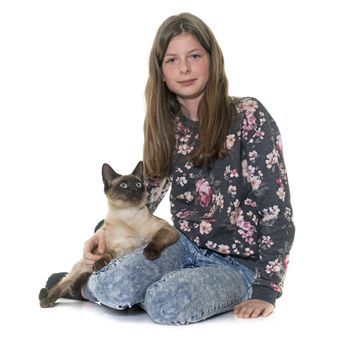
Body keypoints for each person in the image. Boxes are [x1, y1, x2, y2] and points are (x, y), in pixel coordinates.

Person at [46, 12, 295, 325]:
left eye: (194, 56)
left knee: (166, 304)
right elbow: (144, 199)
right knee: (114, 284)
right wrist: (103, 234)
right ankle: (86, 288)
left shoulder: (248, 116)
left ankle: (141, 293)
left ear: (212, 60)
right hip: (182, 245)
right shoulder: (168, 125)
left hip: (238, 264)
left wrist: (266, 288)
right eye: (172, 60)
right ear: (161, 71)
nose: (185, 69)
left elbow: (276, 209)